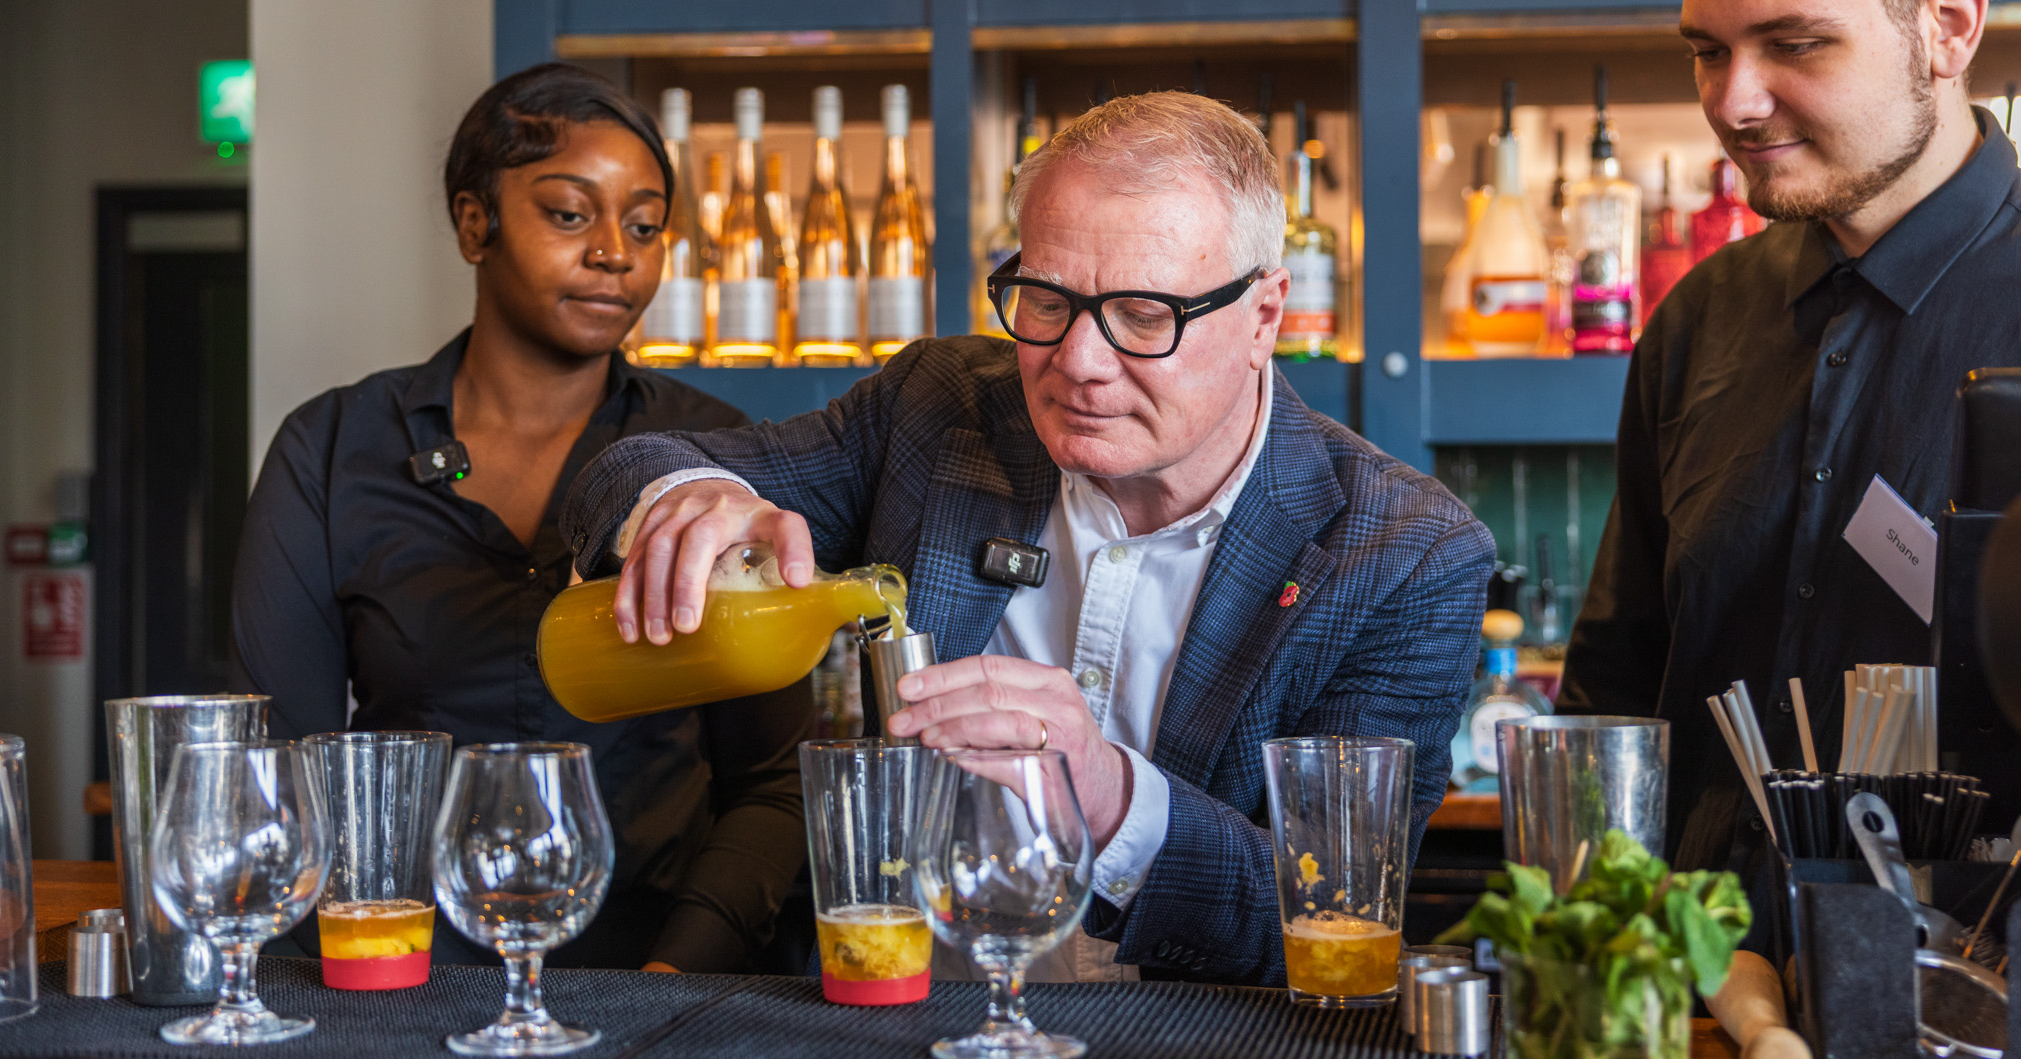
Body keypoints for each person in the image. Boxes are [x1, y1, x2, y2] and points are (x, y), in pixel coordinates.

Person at [560, 91, 1494, 986]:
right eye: (1046, 300)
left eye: (1142, 315)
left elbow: (1333, 913)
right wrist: (695, 497)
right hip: (903, 1027)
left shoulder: (1404, 554)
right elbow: (631, 464)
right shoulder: (942, 407)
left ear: (1265, 316)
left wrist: (1110, 793)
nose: (1079, 363)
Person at [230, 63, 810, 973]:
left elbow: (772, 785)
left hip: (661, 982)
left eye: (647, 226)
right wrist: (360, 982)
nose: (617, 252)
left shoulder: (714, 453)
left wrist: (670, 979)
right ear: (475, 224)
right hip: (400, 980)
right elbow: (283, 773)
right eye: (571, 214)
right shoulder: (333, 449)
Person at [1566, 0, 2021, 874]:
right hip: (1693, 1002)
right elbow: (1614, 691)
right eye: (1705, 49)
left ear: (1948, 24)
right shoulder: (1695, 320)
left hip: (1980, 1011)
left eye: (1793, 44)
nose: (1734, 103)